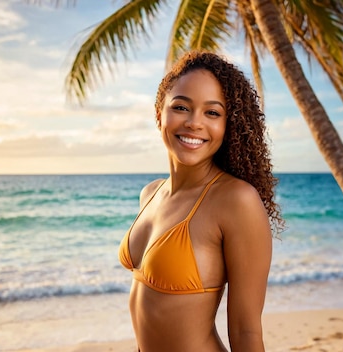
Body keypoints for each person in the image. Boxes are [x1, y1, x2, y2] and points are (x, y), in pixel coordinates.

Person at [118, 50, 284, 352]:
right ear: (159, 114)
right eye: (181, 107)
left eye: (212, 112)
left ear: (227, 125)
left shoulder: (236, 200)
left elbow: (246, 330)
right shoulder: (150, 193)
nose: (195, 123)